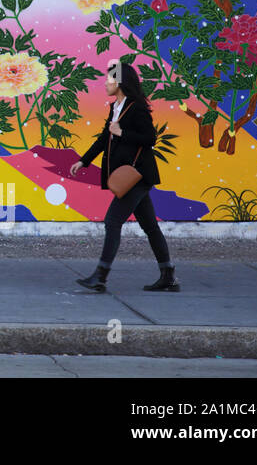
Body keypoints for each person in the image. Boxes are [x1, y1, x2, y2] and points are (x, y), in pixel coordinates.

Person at [70, 61, 179, 292]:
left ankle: (100, 276)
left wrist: (123, 132)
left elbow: (150, 138)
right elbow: (103, 138)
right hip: (130, 175)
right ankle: (168, 275)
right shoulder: (115, 107)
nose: (105, 83)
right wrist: (84, 161)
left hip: (137, 176)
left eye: (109, 79)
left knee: (112, 221)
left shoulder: (136, 107)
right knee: (150, 226)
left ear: (119, 83)